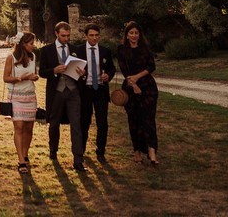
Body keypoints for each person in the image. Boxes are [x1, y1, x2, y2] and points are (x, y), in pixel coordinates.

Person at [39, 21, 85, 172]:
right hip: (56, 91)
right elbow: (42, 72)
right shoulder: (46, 50)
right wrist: (54, 70)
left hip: (73, 92)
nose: (66, 38)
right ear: (56, 34)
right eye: (63, 35)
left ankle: (78, 160)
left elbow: (83, 70)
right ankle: (53, 151)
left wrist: (82, 74)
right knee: (54, 123)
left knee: (76, 124)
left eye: (68, 35)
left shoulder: (76, 49)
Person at [117, 21, 160, 166]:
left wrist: (138, 77)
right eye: (131, 33)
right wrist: (133, 84)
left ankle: (152, 151)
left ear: (139, 34)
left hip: (148, 87)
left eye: (136, 33)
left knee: (148, 119)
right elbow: (124, 69)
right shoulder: (122, 49)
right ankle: (137, 151)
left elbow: (151, 66)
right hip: (130, 88)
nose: (134, 35)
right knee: (134, 121)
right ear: (127, 35)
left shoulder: (145, 48)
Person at [73, 23, 116, 163]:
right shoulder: (78, 51)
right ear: (85, 36)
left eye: (97, 35)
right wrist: (80, 73)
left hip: (101, 91)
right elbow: (71, 70)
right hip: (85, 90)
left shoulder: (105, 51)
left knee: (102, 123)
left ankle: (101, 152)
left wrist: (108, 76)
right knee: (84, 123)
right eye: (91, 35)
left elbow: (111, 68)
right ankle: (81, 151)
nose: (94, 38)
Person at [2, 33, 39, 173]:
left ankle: (25, 153)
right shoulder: (11, 58)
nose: (33, 45)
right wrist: (20, 78)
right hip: (16, 96)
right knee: (19, 126)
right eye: (31, 43)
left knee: (29, 128)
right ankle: (21, 161)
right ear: (23, 44)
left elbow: (33, 73)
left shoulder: (33, 57)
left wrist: (34, 77)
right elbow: (5, 78)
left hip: (30, 96)